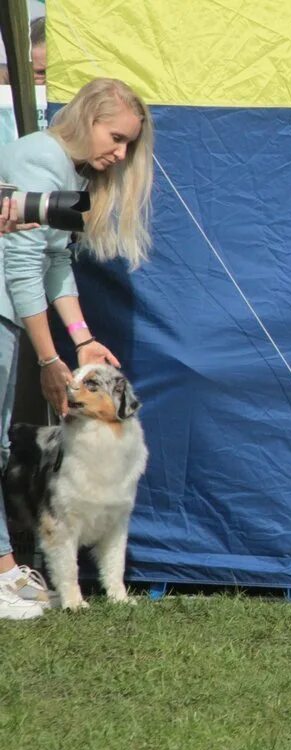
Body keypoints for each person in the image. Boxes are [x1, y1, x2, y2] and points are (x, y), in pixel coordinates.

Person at [0, 77, 155, 620]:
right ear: (87, 117)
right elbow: (20, 267)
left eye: (129, 145)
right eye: (116, 138)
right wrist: (50, 360)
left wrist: (83, 337)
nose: (120, 154)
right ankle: (1, 573)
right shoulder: (39, 159)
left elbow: (57, 261)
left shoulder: (64, 172)